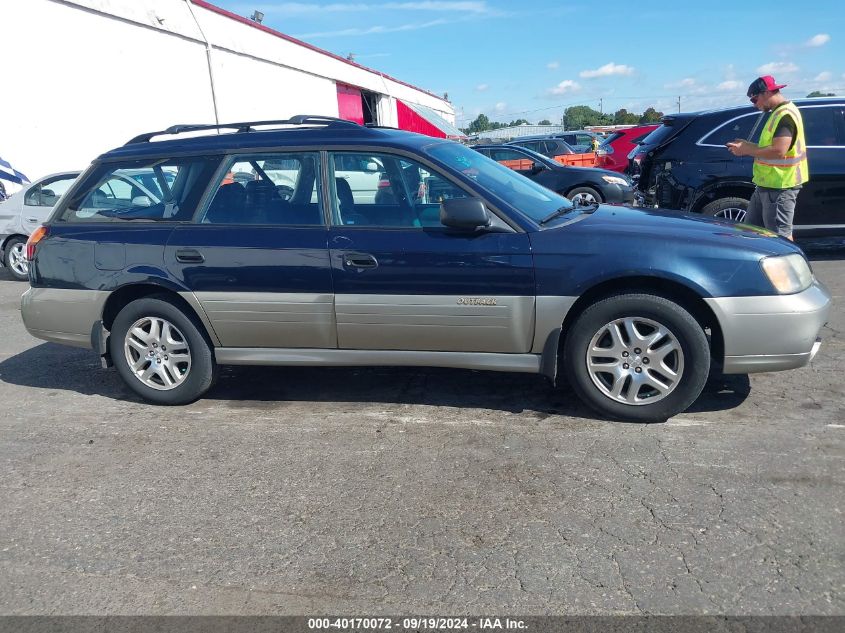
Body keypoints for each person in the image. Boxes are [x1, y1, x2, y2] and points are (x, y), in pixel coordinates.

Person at [726, 75, 808, 241]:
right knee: (749, 232)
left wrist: (747, 150)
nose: (755, 105)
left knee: (780, 239)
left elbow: (779, 150)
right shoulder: (777, 113)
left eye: (754, 99)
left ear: (766, 93)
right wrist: (747, 145)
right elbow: (771, 147)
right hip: (767, 185)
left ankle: (787, 266)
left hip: (780, 187)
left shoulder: (785, 115)